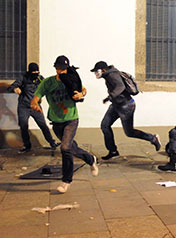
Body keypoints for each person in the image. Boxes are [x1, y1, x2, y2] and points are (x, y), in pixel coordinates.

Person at [31, 55, 98, 193]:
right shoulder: (48, 82)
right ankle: (90, 159)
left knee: (65, 148)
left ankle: (66, 181)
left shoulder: (72, 80)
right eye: (58, 69)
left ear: (67, 69)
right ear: (55, 68)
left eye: (63, 69)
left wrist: (81, 94)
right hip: (56, 121)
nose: (60, 71)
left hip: (71, 119)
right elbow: (37, 96)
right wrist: (34, 103)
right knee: (71, 147)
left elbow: (83, 90)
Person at [90, 61, 161, 160]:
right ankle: (113, 151)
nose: (96, 74)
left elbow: (120, 86)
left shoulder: (112, 75)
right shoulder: (108, 75)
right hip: (116, 105)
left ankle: (153, 138)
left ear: (103, 70)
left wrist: (110, 97)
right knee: (105, 126)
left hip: (126, 106)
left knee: (129, 132)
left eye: (97, 71)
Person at [7, 63, 59, 153]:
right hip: (24, 106)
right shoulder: (24, 77)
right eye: (33, 72)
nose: (35, 73)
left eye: (37, 71)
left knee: (43, 125)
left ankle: (52, 142)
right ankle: (27, 146)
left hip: (36, 106)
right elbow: (11, 87)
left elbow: (48, 87)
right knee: (23, 126)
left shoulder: (40, 78)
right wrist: (15, 89)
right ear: (29, 71)